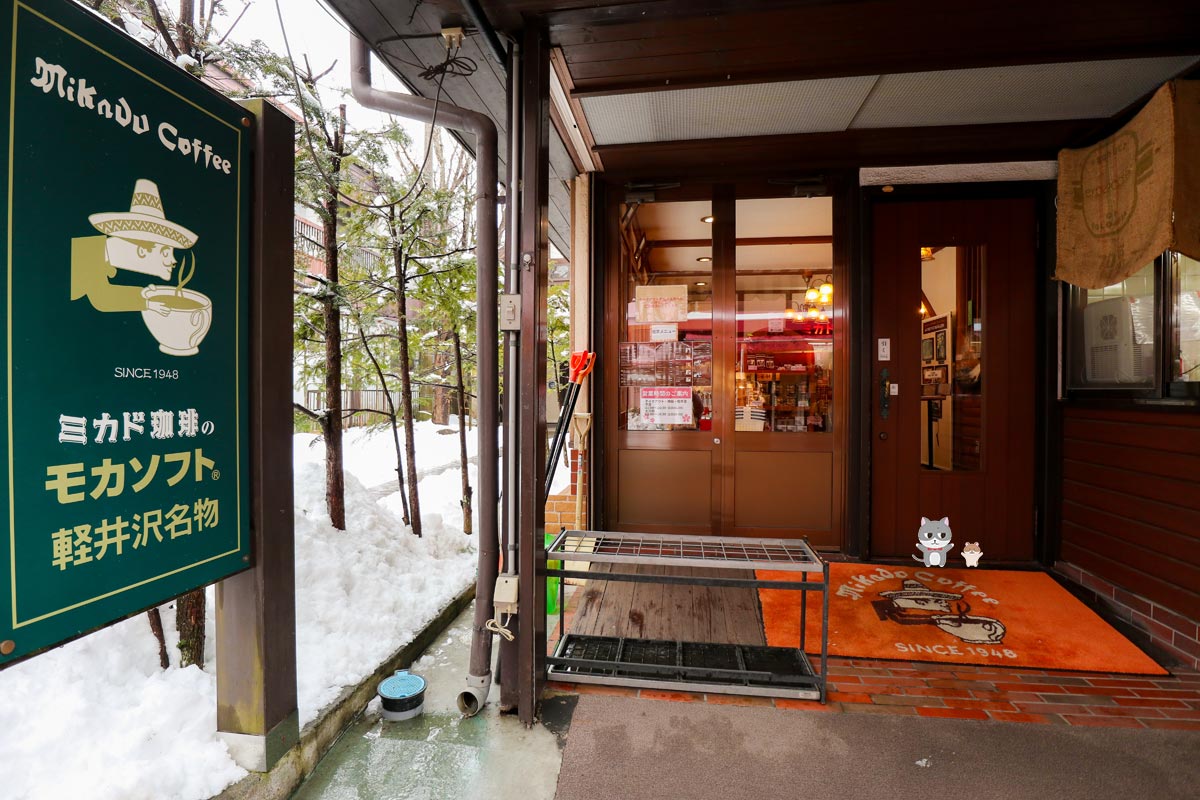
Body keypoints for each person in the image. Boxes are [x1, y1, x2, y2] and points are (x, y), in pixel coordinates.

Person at [70, 178, 197, 314]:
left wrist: (142, 294)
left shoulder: (95, 252)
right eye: (165, 253)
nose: (173, 260)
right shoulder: (85, 252)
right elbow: (102, 297)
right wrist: (147, 304)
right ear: (142, 251)